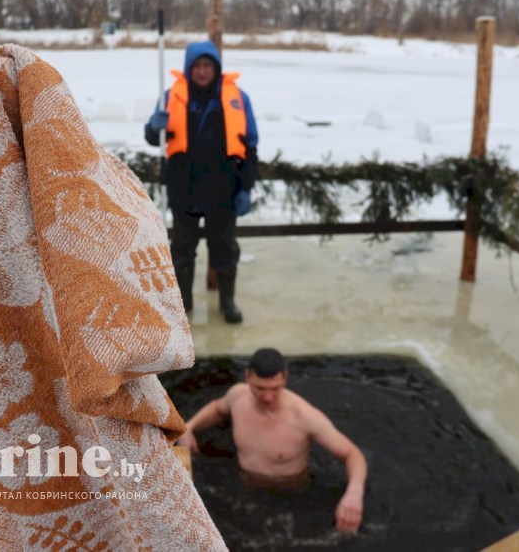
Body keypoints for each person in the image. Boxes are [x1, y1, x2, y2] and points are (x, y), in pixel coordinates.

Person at [177, 348, 368, 533]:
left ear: (285, 377)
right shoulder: (238, 396)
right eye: (259, 388)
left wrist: (354, 492)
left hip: (290, 495)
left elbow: (352, 454)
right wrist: (189, 427)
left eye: (275, 389)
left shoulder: (305, 417)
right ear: (248, 376)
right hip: (243, 485)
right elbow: (218, 408)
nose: (268, 397)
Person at [145, 40, 259, 324]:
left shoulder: (238, 99)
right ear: (188, 69)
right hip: (185, 188)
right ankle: (184, 304)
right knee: (183, 250)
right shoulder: (171, 97)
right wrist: (152, 127)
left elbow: (251, 146)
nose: (202, 71)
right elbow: (151, 137)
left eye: (208, 65)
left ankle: (227, 302)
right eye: (196, 66)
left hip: (224, 189)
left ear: (216, 68)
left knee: (225, 249)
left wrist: (246, 188)